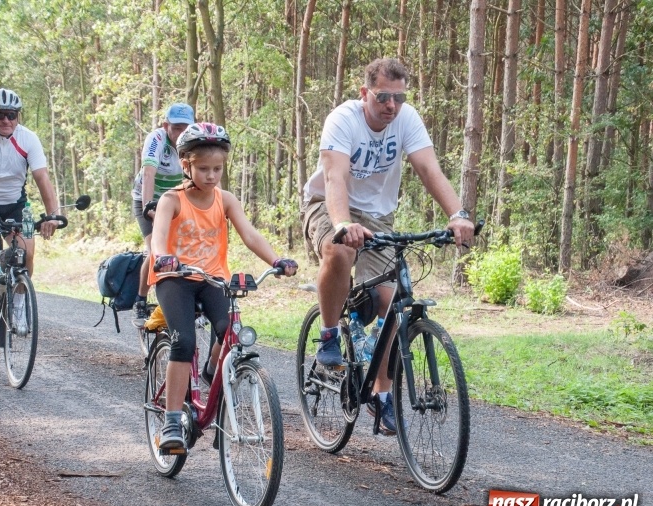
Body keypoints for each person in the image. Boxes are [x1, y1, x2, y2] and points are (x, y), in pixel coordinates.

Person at [302, 58, 475, 434]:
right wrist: (343, 223)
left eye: (398, 98)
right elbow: (335, 177)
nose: (391, 106)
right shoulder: (343, 120)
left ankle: (382, 396)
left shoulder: (406, 119)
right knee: (340, 251)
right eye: (383, 97)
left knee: (390, 299)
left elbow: (430, 169)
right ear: (365, 93)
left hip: (379, 218)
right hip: (329, 205)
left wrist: (458, 214)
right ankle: (330, 336)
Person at [149, 122, 298, 449]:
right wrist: (162, 257)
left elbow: (250, 235)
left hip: (213, 279)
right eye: (203, 169)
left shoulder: (225, 200)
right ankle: (173, 420)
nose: (212, 175)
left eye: (217, 168)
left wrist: (276, 260)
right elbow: (158, 239)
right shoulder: (171, 200)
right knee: (184, 341)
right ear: (185, 165)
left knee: (230, 330)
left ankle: (212, 377)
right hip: (175, 279)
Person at [0, 88, 60, 340]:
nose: (6, 120)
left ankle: (17, 307)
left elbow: (42, 178)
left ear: (18, 116)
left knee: (26, 252)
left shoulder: (28, 138)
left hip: (16, 205)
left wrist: (52, 215)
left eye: (12, 115)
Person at [131, 103, 196, 325]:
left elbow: (195, 177)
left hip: (174, 200)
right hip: (146, 199)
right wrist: (149, 206)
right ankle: (140, 300)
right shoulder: (156, 140)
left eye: (185, 129)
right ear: (165, 125)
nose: (180, 134)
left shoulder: (192, 142)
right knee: (155, 251)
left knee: (187, 247)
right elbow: (149, 174)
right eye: (176, 128)